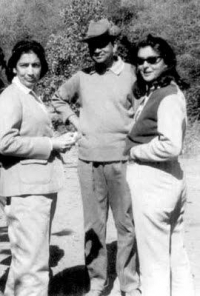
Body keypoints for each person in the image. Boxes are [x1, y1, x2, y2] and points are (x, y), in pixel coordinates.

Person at [52, 19, 140, 296]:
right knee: (93, 226)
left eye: (102, 44)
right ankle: (98, 282)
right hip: (89, 161)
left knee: (127, 224)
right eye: (91, 46)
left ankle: (129, 283)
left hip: (123, 160)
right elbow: (58, 99)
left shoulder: (132, 73)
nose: (97, 50)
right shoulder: (82, 76)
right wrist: (77, 122)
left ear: (115, 44)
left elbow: (144, 109)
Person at [0, 39, 76, 296]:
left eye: (36, 65)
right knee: (33, 265)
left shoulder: (29, 95)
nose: (30, 71)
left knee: (25, 262)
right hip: (26, 190)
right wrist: (52, 144)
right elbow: (4, 142)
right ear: (13, 68)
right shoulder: (11, 97)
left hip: (36, 187)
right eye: (24, 65)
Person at [125, 34, 194, 296]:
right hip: (168, 179)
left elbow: (170, 145)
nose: (145, 66)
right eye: (140, 61)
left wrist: (135, 152)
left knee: (154, 261)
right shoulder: (158, 92)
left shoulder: (167, 96)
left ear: (166, 61)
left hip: (155, 181)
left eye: (152, 60)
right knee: (174, 252)